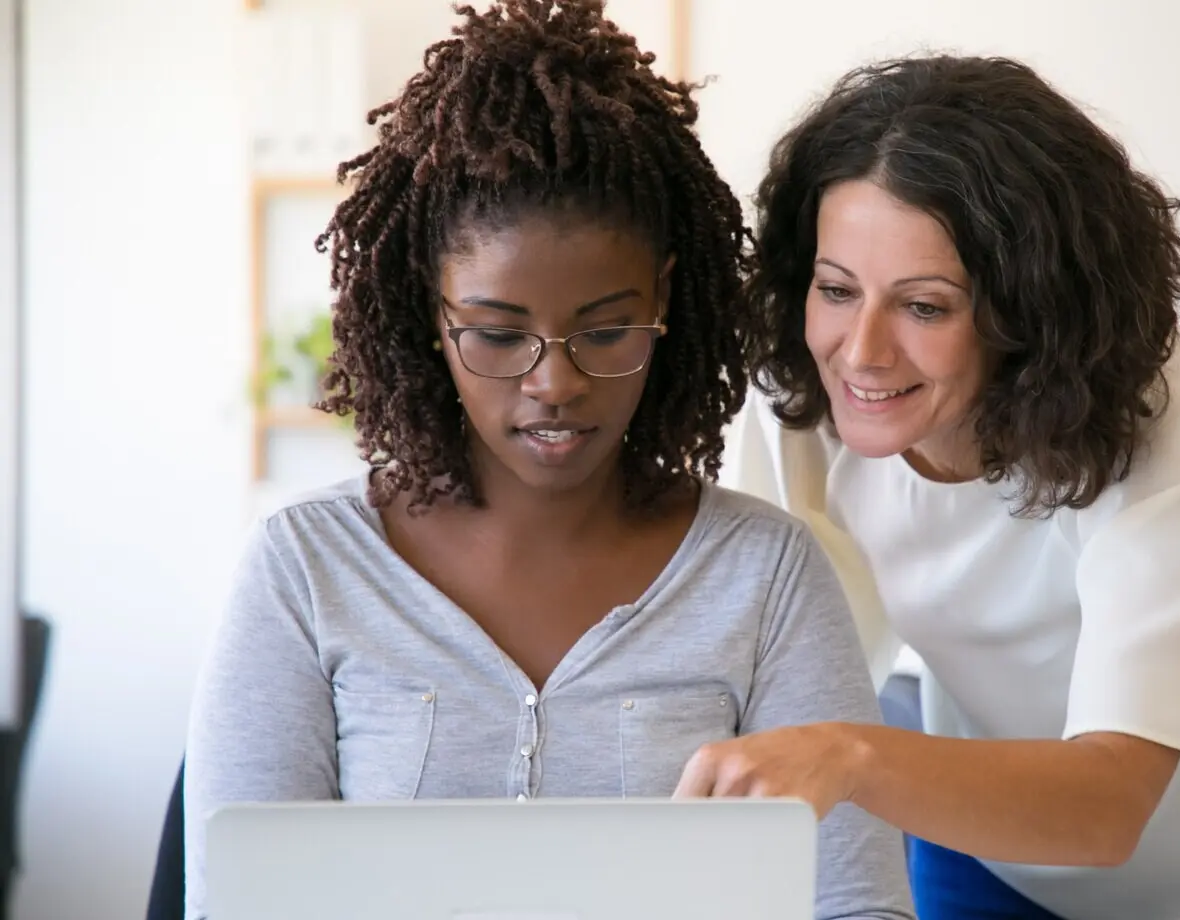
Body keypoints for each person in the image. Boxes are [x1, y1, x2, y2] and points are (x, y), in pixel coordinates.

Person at [180, 4, 915, 919]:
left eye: (606, 330)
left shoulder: (765, 579)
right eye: (496, 334)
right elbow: (236, 902)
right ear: (431, 313)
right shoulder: (306, 571)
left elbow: (858, 904)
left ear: (666, 301)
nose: (556, 383)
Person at [673, 54, 1180, 919]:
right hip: (993, 855)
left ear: (1031, 308)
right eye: (835, 290)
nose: (859, 351)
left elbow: (1108, 806)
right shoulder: (808, 401)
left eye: (924, 306)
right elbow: (776, 669)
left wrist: (852, 758)